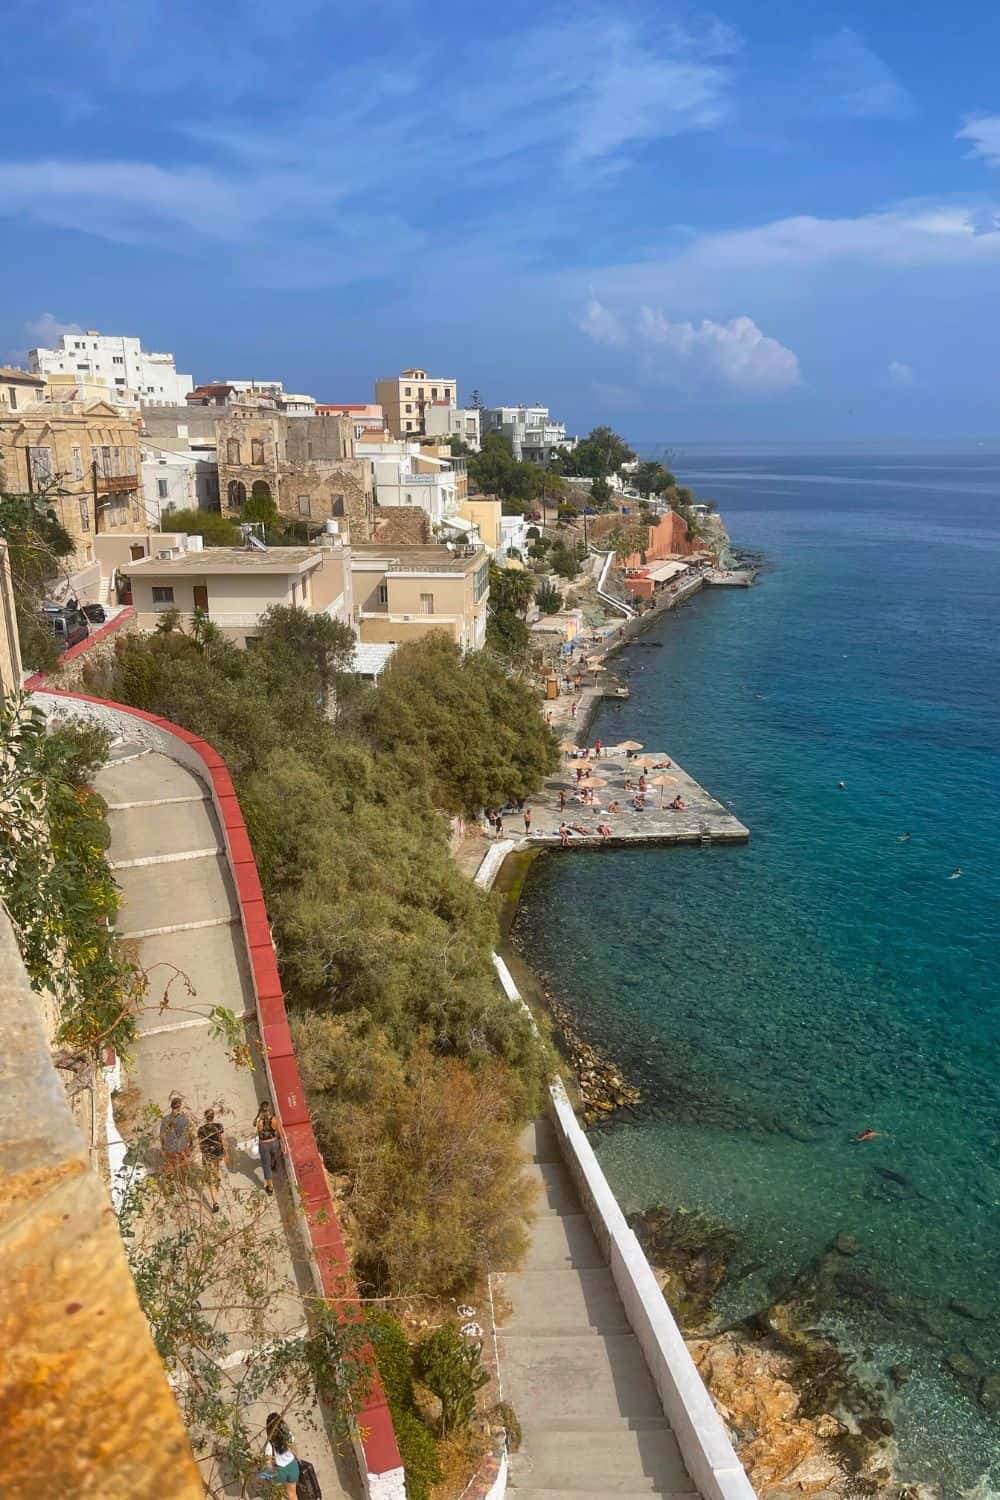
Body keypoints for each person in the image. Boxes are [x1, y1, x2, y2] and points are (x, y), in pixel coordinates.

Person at [261, 1413, 301, 1499]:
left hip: (280, 1471)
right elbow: (294, 1449)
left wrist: (268, 1476)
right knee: (292, 1494)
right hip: (293, 1466)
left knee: (278, 1495)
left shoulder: (269, 1443)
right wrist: (298, 1460)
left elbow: (268, 1464)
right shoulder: (288, 1434)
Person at [197, 1107, 229, 1213]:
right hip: (217, 1152)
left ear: (205, 1118)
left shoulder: (201, 1130)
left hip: (208, 1154)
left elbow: (201, 1144)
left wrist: (203, 1152)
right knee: (216, 1167)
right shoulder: (219, 1126)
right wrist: (226, 1153)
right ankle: (216, 1178)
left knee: (210, 1178)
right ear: (213, 1117)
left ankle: (215, 1202)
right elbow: (222, 1140)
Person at [255, 1099, 284, 1195]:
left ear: (261, 1110)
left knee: (266, 1166)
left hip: (264, 1145)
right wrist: (282, 1144)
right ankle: (274, 1164)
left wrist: (258, 1115)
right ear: (269, 1109)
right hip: (274, 1143)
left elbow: (254, 1124)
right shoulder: (274, 1120)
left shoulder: (259, 1122)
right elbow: (279, 1133)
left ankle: (270, 1187)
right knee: (273, 1155)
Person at [159, 1096, 194, 1173]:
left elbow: (161, 1136)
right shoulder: (184, 1118)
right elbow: (189, 1133)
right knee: (182, 1170)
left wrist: (163, 1147)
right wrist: (191, 1144)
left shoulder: (165, 1119)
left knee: (172, 1170)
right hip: (182, 1149)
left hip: (170, 1150)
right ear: (179, 1107)